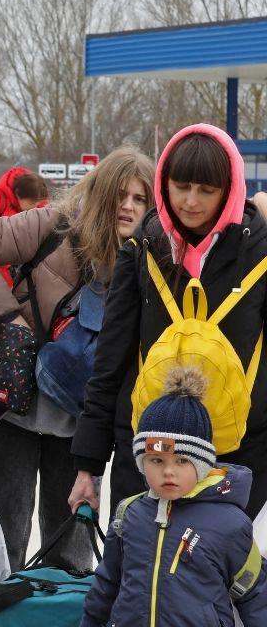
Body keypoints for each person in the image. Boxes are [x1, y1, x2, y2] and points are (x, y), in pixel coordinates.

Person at [0, 146, 154, 571]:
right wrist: (8, 320)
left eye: (140, 198)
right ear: (101, 192)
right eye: (120, 195)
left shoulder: (150, 257)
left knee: (70, 558)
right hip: (13, 410)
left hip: (80, 426)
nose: (128, 207)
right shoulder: (55, 225)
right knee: (1, 548)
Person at [71, 124, 267, 519]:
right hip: (150, 453)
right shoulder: (142, 249)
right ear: (164, 183)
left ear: (229, 190)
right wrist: (88, 466)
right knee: (139, 570)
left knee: (219, 576)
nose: (191, 202)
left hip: (238, 457)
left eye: (207, 191)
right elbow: (111, 362)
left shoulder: (258, 252)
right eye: (181, 187)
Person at [81, 366, 267, 626]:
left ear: (202, 464)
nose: (168, 471)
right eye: (156, 460)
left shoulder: (230, 524)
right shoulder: (129, 514)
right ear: (141, 463)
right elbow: (108, 582)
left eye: (182, 460)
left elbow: (255, 593)